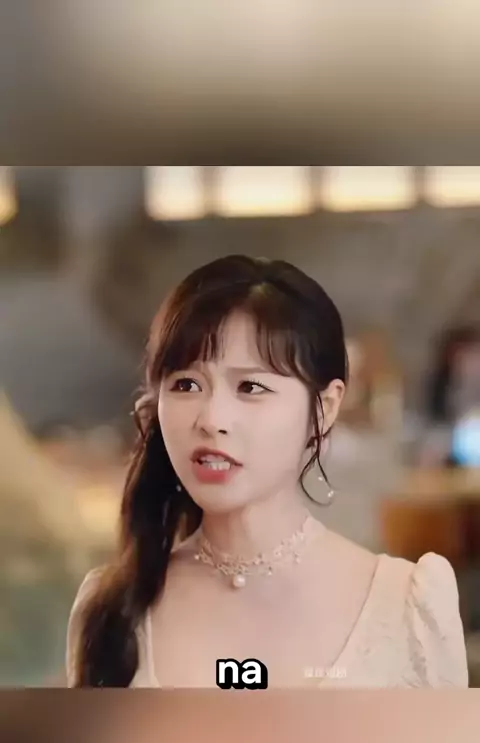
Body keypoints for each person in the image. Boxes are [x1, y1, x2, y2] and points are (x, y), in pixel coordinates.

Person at [66, 255, 469, 688]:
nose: (212, 419)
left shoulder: (407, 607)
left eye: (251, 387)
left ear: (325, 407)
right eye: (186, 384)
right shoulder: (111, 611)